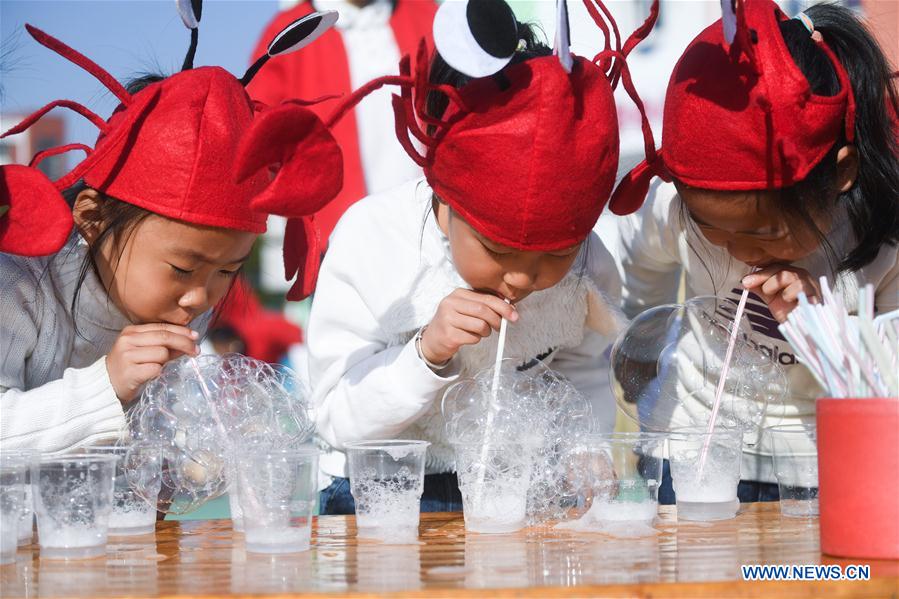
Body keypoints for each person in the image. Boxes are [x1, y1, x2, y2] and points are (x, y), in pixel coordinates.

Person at [306, 0, 660, 513]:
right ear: (445, 201)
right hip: (379, 488)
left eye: (554, 254)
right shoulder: (374, 240)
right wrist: (426, 353)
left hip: (512, 480)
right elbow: (337, 419)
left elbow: (582, 370)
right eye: (496, 249)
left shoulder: (587, 263)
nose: (521, 278)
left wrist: (586, 446)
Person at [0, 5, 343, 452]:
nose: (200, 297)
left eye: (226, 271)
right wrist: (106, 387)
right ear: (92, 219)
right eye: (182, 268)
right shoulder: (19, 288)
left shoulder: (186, 305)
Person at [609, 0, 899, 501]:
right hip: (690, 447)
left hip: (814, 466)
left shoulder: (880, 245)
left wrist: (819, 324)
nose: (740, 251)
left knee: (796, 580)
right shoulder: (677, 214)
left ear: (842, 175)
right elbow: (635, 252)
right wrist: (639, 343)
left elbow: (885, 380)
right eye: (714, 231)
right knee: (698, 578)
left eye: (763, 233)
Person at [247, 0, 437, 247]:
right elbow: (257, 135)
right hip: (331, 239)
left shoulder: (426, 15)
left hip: (429, 232)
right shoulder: (291, 29)